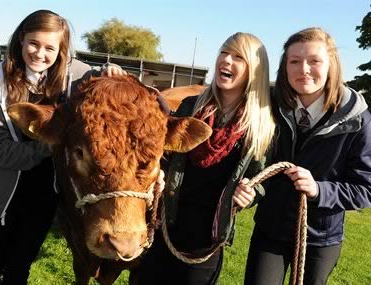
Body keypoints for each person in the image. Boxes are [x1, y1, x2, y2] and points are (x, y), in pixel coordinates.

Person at [0, 10, 125, 285]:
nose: (40, 53)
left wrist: (109, 72)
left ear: (61, 50)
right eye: (33, 43)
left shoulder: (74, 75)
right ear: (21, 39)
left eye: (50, 47)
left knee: (20, 267)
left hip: (46, 192)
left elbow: (100, 82)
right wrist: (48, 146)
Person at [137, 32, 275, 285]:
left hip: (207, 241)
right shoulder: (191, 106)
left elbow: (261, 179)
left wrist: (251, 195)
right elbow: (165, 153)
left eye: (238, 57)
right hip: (165, 226)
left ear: (255, 70)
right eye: (224, 53)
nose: (226, 61)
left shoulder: (261, 126)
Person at [242, 27, 371, 285]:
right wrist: (249, 187)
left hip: (320, 238)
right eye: (295, 61)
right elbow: (255, 161)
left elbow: (365, 188)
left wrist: (319, 190)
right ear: (285, 67)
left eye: (314, 61)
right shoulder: (269, 109)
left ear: (331, 65)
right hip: (271, 230)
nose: (304, 69)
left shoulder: (357, 120)